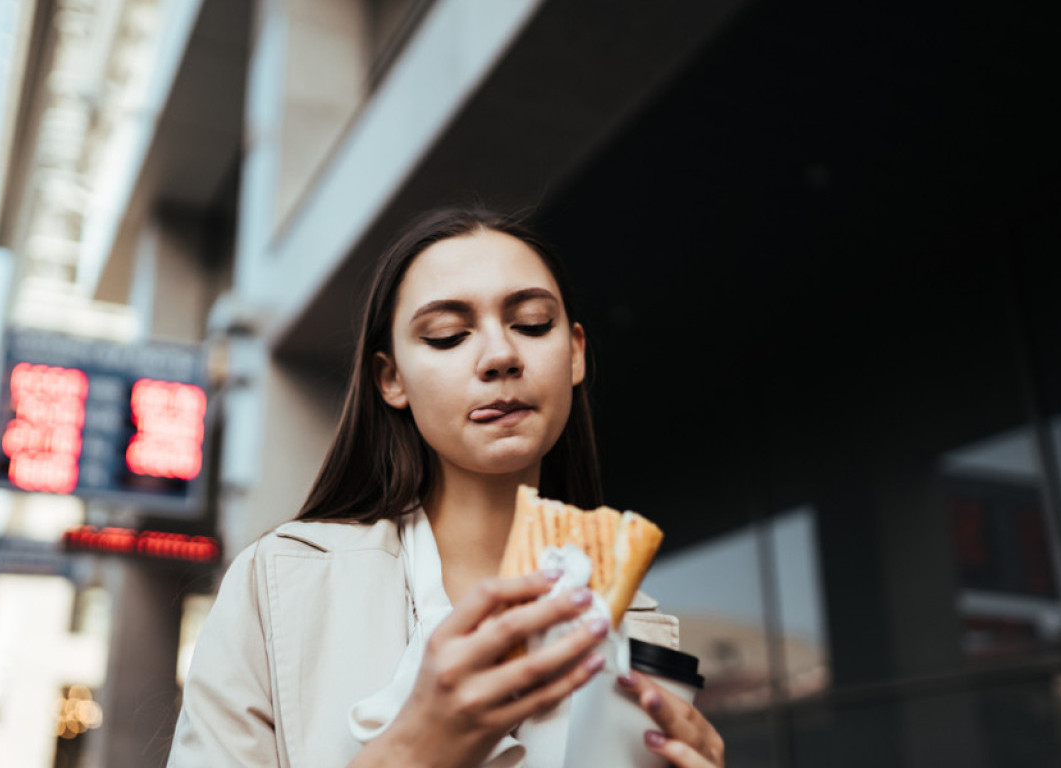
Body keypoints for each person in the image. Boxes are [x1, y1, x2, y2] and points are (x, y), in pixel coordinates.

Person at [167, 207, 725, 768]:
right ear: (392, 379)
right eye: (447, 335)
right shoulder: (280, 583)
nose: (501, 356)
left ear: (575, 353)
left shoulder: (639, 630)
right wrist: (414, 749)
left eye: (531, 324)